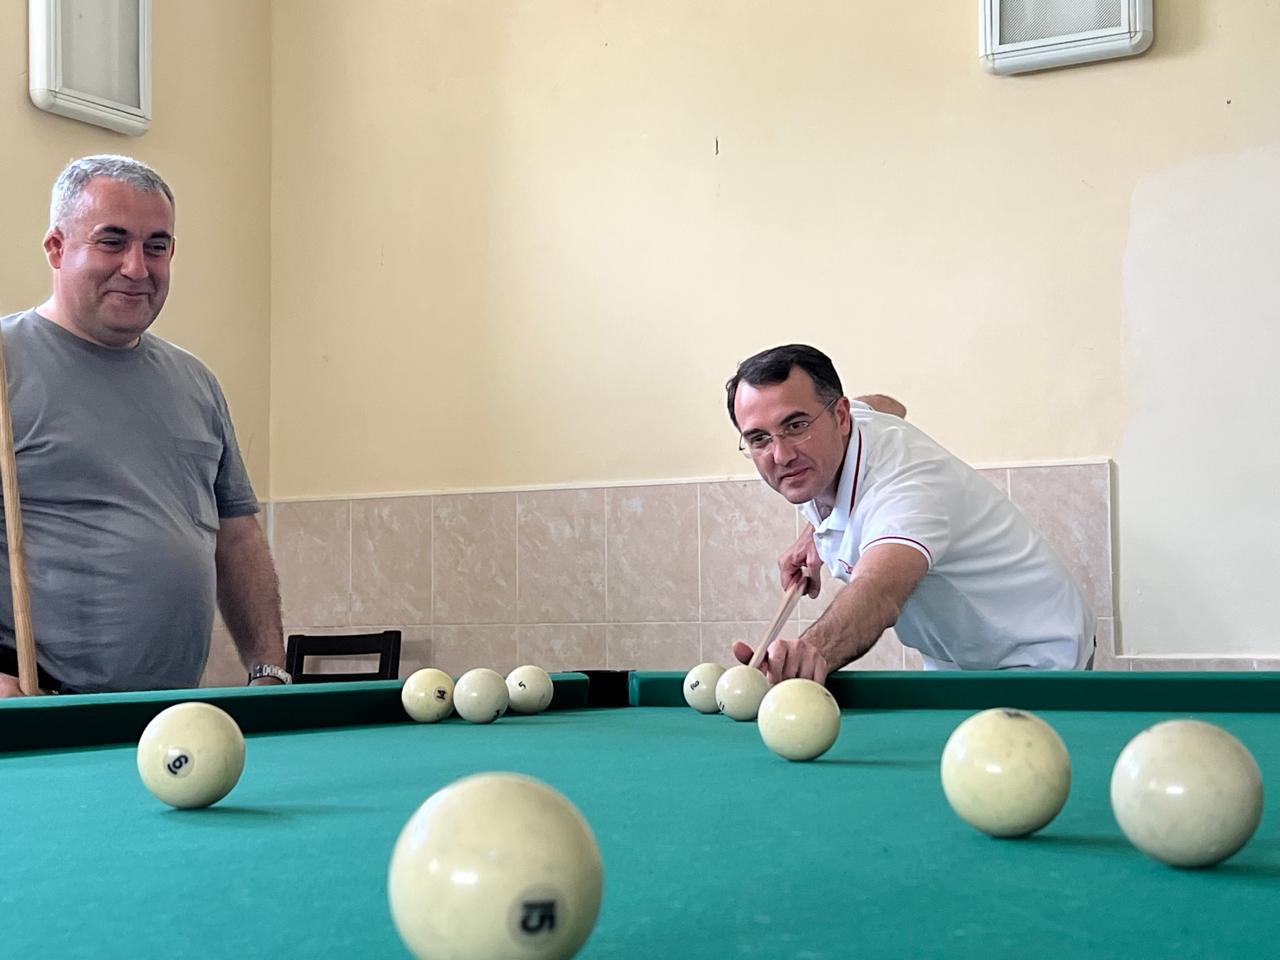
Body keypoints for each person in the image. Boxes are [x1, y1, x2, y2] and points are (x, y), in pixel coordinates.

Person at [0, 155, 287, 696]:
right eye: (112, 241)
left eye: (156, 246)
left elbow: (238, 536)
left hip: (170, 712)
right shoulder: (4, 363)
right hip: (37, 716)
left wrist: (269, 669)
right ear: (56, 248)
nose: (136, 267)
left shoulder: (196, 382)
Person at [726, 344, 1094, 682]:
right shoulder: (830, 445)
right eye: (759, 438)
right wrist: (815, 530)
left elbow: (879, 591)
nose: (781, 455)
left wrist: (811, 653)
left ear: (840, 417)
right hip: (957, 663)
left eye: (796, 426)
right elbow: (887, 405)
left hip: (1037, 656)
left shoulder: (908, 489)